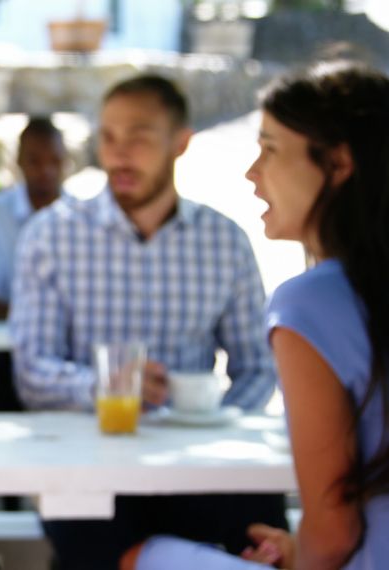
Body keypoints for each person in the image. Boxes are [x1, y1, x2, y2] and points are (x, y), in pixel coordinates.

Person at [9, 74, 283, 568]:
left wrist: (210, 425)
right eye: (108, 136)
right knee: (87, 533)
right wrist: (110, 386)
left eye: (138, 135)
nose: (118, 154)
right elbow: (32, 371)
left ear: (182, 142)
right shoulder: (49, 237)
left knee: (265, 525)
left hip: (200, 467)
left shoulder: (226, 241)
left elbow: (258, 367)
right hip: (92, 466)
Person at [125, 60, 389, 570]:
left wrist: (303, 555)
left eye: (269, 149)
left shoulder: (308, 303)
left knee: (140, 557)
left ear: (337, 164)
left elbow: (334, 531)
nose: (251, 172)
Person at [0, 116, 68, 321]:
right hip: (7, 345)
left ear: (65, 161)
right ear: (19, 161)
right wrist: (39, 320)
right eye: (35, 161)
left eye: (54, 161)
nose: (46, 170)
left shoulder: (83, 217)